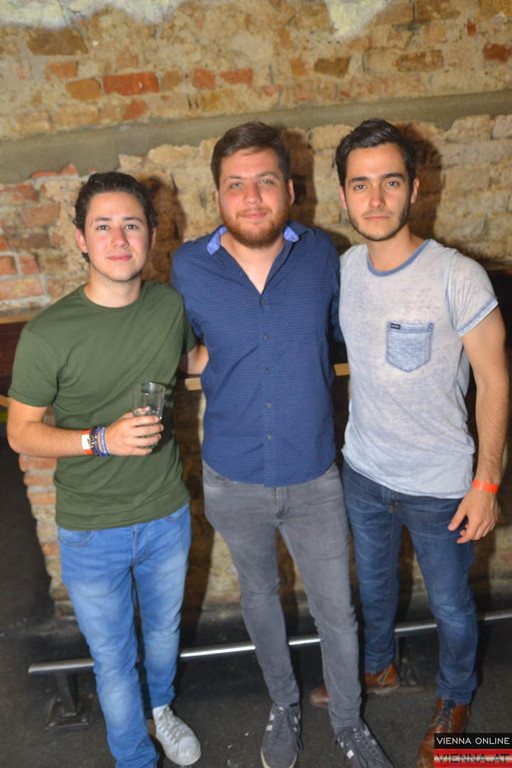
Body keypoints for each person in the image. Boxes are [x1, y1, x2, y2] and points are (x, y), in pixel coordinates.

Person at [171, 122, 393, 768]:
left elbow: (354, 330)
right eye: (235, 185)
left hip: (313, 474)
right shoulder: (189, 266)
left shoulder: (324, 254)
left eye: (265, 181)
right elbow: (175, 347)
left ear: (290, 190)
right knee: (260, 600)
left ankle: (348, 722)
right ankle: (285, 704)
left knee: (337, 613)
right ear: (217, 195)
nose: (251, 197)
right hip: (231, 474)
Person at [310, 118, 509, 768]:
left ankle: (456, 700)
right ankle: (378, 668)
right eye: (360, 185)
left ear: (415, 188)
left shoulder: (458, 275)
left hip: (441, 485)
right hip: (364, 473)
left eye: (390, 182)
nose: (375, 199)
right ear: (344, 194)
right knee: (372, 589)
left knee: (451, 606)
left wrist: (486, 483)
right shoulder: (344, 271)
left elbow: (495, 381)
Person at [7, 171, 206, 768]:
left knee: (164, 635)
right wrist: (102, 439)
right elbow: (21, 431)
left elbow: (195, 360)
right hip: (92, 529)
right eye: (103, 226)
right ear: (81, 240)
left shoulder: (169, 306)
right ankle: (134, 758)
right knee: (114, 659)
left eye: (131, 225)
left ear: (151, 236)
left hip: (166, 513)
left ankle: (161, 711)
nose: (119, 239)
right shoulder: (48, 334)